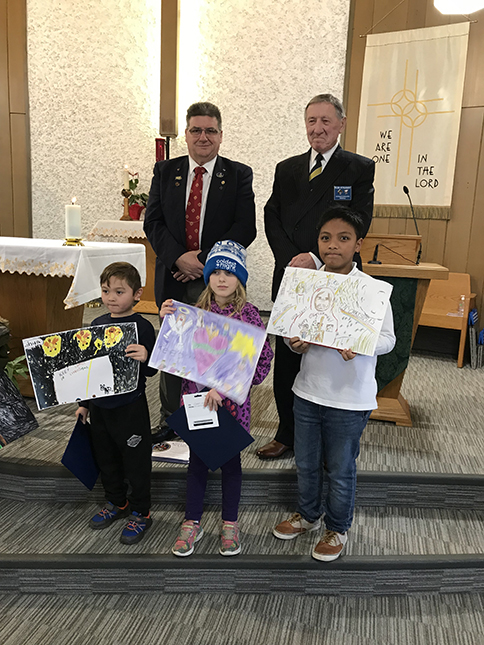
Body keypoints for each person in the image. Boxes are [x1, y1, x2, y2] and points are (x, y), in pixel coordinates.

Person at [272, 206, 395, 561]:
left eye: (343, 238)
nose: (333, 245)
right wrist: (293, 342)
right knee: (306, 463)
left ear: (358, 244)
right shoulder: (305, 285)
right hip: (308, 391)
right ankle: (308, 516)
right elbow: (289, 331)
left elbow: (388, 340)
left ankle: (337, 528)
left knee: (341, 469)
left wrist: (359, 343)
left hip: (350, 398)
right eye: (326, 238)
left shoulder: (370, 290)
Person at [258, 93, 375, 460]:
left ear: (341, 124)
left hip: (335, 278)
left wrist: (314, 256)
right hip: (291, 275)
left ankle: (329, 440)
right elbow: (272, 216)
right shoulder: (287, 168)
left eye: (326, 121)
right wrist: (291, 259)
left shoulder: (358, 168)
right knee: (288, 358)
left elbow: (359, 221)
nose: (318, 128)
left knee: (331, 357)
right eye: (312, 121)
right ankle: (286, 434)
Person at [144, 102, 257, 442]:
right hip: (173, 275)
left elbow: (245, 227)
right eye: (196, 130)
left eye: (210, 130)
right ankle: (171, 419)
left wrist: (204, 262)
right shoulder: (165, 171)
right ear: (186, 134)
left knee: (213, 350)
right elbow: (153, 222)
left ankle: (210, 419)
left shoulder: (238, 174)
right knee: (174, 352)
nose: (203, 137)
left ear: (221, 135)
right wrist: (178, 258)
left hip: (216, 280)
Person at [159, 241, 273, 557]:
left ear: (241, 279)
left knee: (231, 465)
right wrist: (167, 320)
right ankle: (192, 521)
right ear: (207, 276)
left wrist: (222, 387)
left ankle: (230, 523)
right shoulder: (195, 313)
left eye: (230, 273)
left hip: (231, 405)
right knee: (196, 462)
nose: (222, 279)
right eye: (216, 272)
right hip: (198, 401)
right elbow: (176, 353)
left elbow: (260, 361)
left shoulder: (249, 316)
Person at [76, 262, 157, 545]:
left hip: (130, 407)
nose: (111, 297)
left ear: (137, 294)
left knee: (136, 462)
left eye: (119, 292)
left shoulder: (143, 326)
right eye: (106, 290)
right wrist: (84, 404)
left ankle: (141, 512)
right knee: (106, 457)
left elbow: (152, 370)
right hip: (100, 407)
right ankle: (116, 501)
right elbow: (89, 370)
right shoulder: (96, 324)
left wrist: (147, 356)